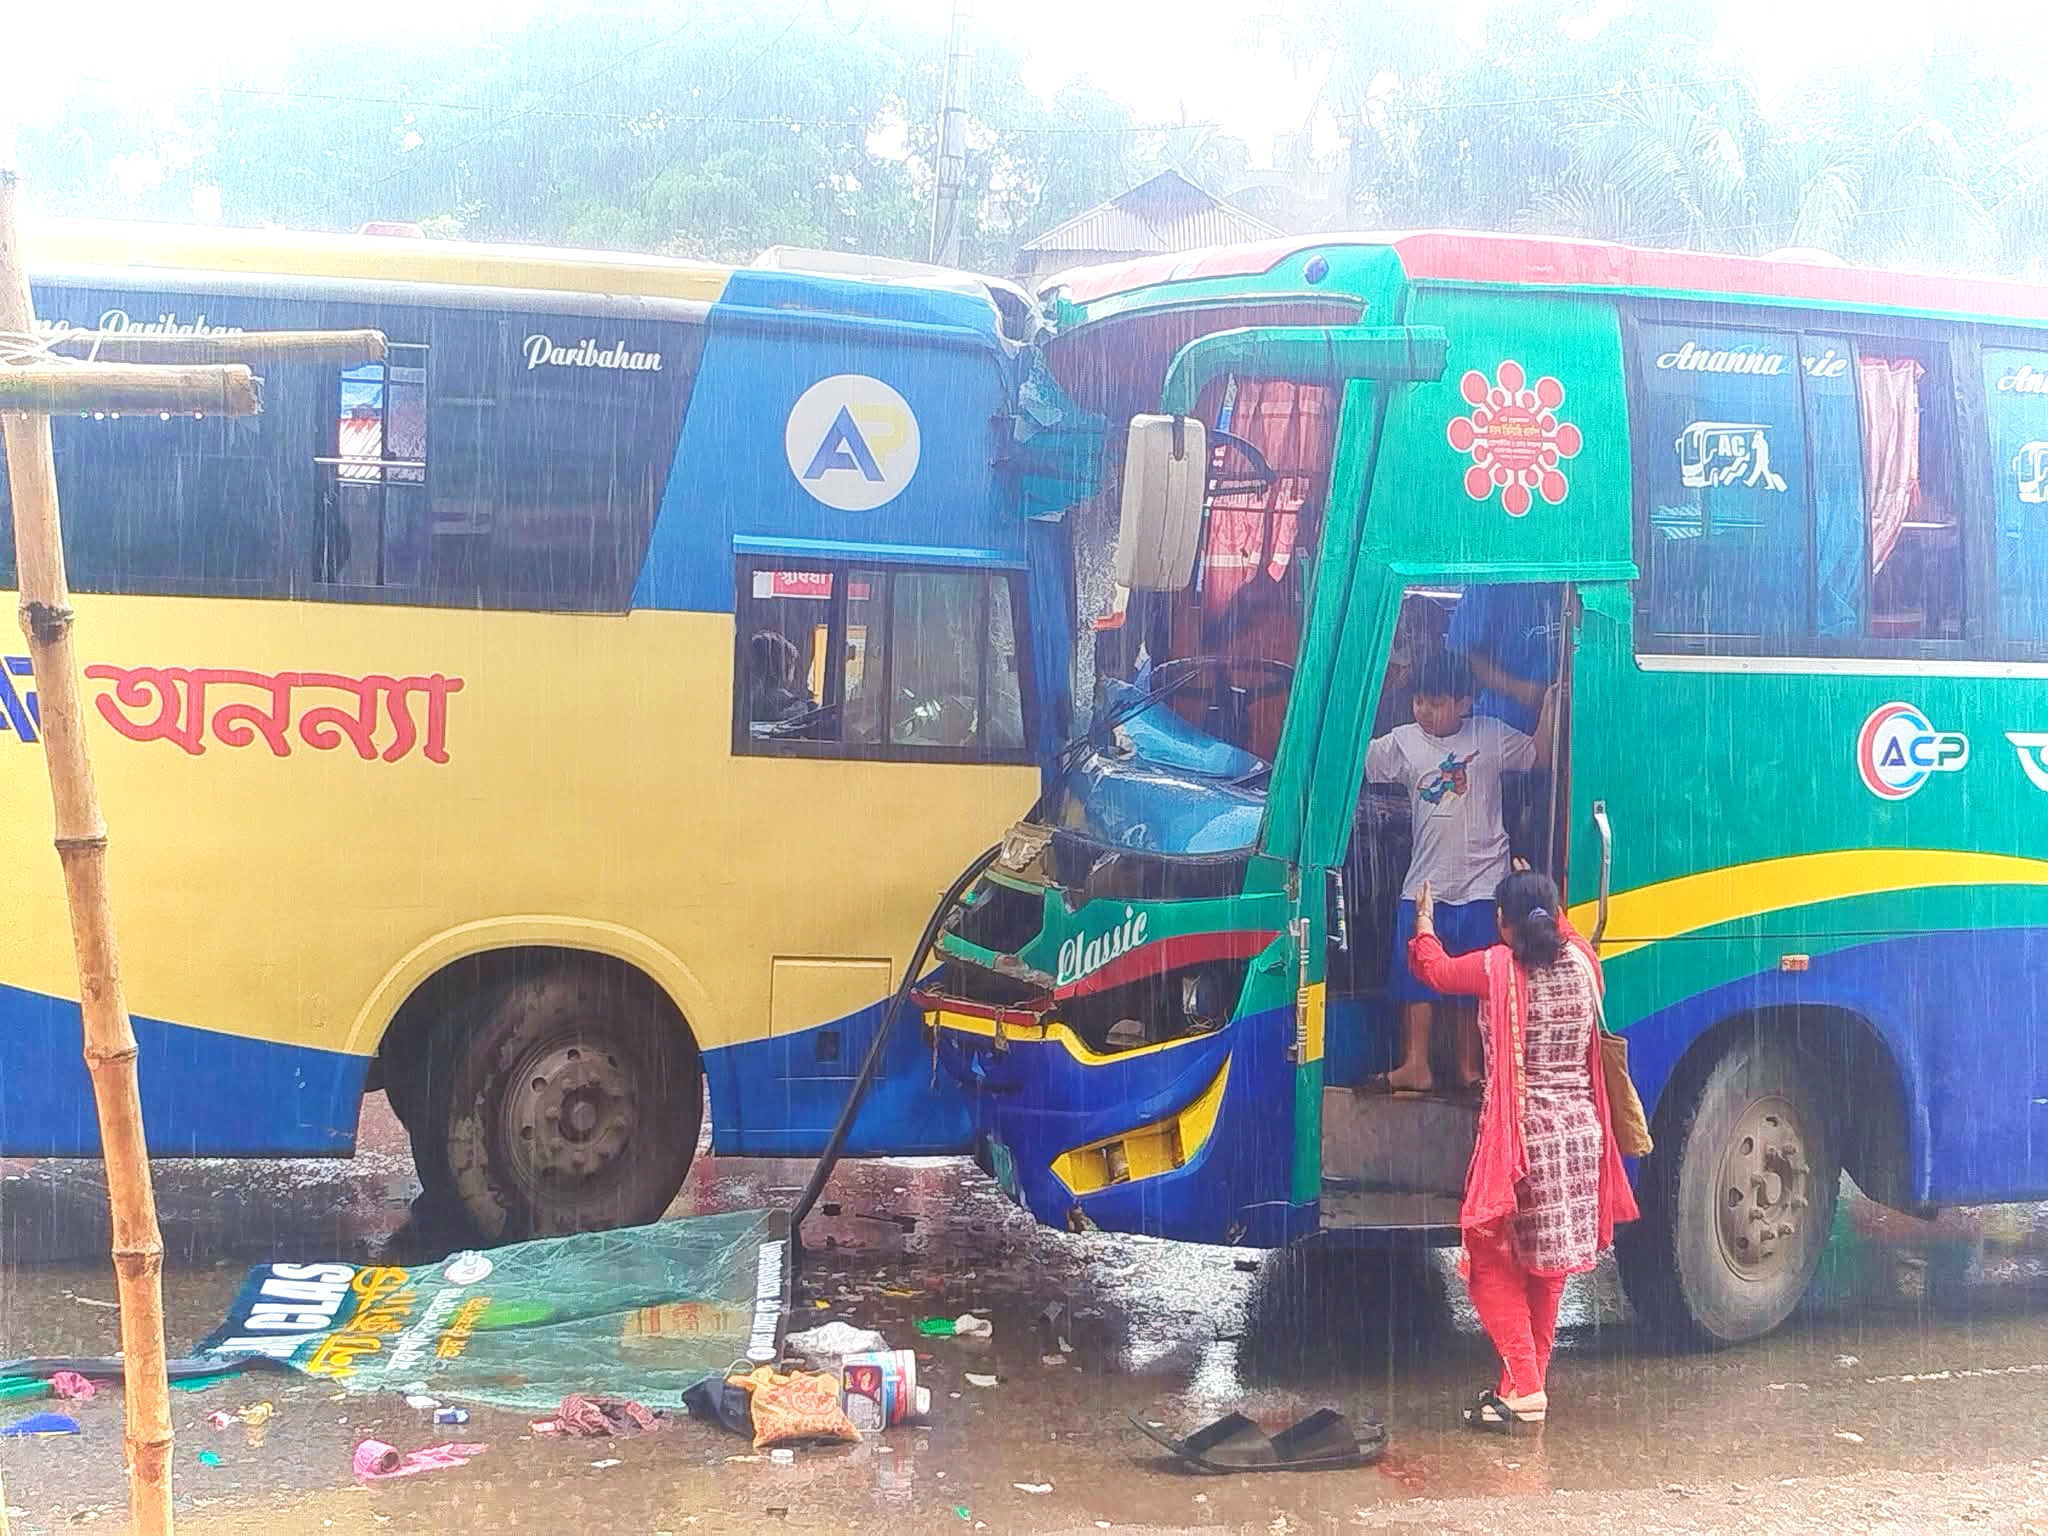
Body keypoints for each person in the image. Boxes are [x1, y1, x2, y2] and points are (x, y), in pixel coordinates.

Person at [1408, 868, 1639, 1430]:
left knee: (1487, 1257)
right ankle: (1523, 1387)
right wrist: (1537, 891)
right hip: (1580, 1138)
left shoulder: (1497, 968)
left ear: (1501, 924)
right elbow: (1563, 930)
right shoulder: (1587, 964)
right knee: (1545, 1267)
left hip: (1526, 1138)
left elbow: (1433, 970)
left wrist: (1422, 922)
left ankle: (1526, 1383)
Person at [1364, 651, 1556, 1094]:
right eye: (1419, 702)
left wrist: (1550, 705)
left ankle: (1469, 1065)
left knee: (1476, 979)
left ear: (1465, 702)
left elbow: (1539, 756)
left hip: (1484, 882)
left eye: (1435, 702)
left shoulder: (1489, 735)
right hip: (1425, 883)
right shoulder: (1402, 741)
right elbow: (1357, 761)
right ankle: (1416, 1065)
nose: (1424, 712)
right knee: (1415, 975)